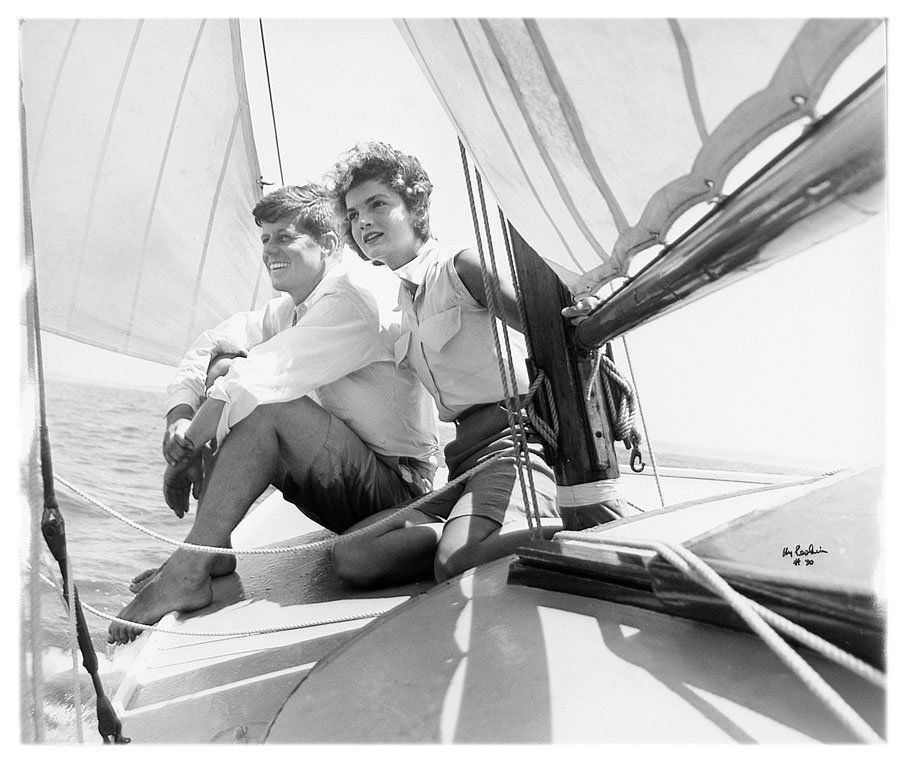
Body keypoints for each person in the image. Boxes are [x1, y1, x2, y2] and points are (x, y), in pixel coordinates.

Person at [108, 183, 439, 644]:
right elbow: (209, 348)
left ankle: (188, 572)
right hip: (351, 483)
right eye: (265, 239)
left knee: (262, 401)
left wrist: (187, 452)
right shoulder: (290, 308)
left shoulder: (351, 298)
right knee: (224, 364)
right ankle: (211, 552)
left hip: (399, 489)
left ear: (326, 245)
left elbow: (258, 379)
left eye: (284, 237)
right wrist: (179, 419)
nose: (270, 250)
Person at [325, 142, 562, 587]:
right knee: (352, 555)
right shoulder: (400, 300)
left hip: (515, 447)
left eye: (378, 204)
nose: (364, 222)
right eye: (354, 215)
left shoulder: (461, 267)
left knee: (455, 564)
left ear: (414, 206)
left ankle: (569, 524)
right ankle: (465, 528)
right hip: (463, 459)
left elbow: (547, 330)